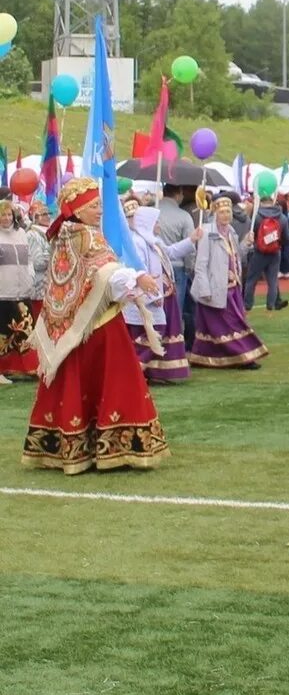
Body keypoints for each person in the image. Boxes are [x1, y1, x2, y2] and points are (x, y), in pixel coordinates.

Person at [20, 177, 168, 474]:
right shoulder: (86, 235)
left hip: (74, 327)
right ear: (78, 208)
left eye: (100, 204)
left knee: (73, 384)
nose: (100, 210)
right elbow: (104, 273)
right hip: (98, 328)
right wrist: (136, 278)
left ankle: (72, 447)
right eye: (94, 205)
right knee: (115, 381)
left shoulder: (64, 233)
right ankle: (118, 447)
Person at [189, 195, 269, 370]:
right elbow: (200, 265)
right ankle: (243, 357)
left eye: (228, 212)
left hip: (233, 287)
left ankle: (204, 357)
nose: (226, 215)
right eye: (222, 212)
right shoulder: (207, 233)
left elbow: (236, 256)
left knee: (219, 326)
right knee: (230, 324)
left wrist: (246, 244)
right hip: (215, 288)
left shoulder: (230, 232)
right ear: (215, 213)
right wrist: (204, 289)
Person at [126, 206, 201, 382]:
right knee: (150, 335)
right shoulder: (138, 243)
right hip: (149, 299)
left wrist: (191, 240)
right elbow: (140, 272)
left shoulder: (153, 241)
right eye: (156, 221)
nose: (159, 224)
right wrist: (153, 296)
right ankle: (133, 371)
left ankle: (154, 372)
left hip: (162, 295)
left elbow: (171, 252)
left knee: (159, 333)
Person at [0, 200, 38, 381]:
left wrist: (30, 275)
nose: (6, 218)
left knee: (26, 328)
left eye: (9, 215)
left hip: (23, 290)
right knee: (3, 331)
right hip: (3, 291)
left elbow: (29, 258)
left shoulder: (21, 233)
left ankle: (28, 366)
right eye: (3, 215)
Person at [157, 184, 197, 347]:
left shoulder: (152, 211)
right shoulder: (183, 216)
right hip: (177, 266)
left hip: (155, 266)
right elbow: (190, 249)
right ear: (178, 194)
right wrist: (190, 267)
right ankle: (174, 344)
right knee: (175, 309)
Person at [243, 194, 289, 312]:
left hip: (258, 252)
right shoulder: (282, 217)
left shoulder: (256, 216)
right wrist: (278, 243)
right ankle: (271, 305)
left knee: (251, 279)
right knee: (273, 280)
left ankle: (247, 304)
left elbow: (250, 233)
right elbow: (287, 237)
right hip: (275, 251)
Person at [26, 200, 51, 321]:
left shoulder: (47, 233)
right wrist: (55, 255)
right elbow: (37, 262)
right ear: (35, 217)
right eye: (43, 214)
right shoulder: (32, 235)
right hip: (39, 289)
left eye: (48, 213)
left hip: (49, 290)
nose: (48, 216)